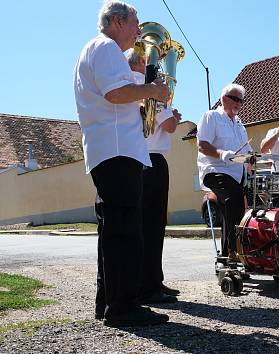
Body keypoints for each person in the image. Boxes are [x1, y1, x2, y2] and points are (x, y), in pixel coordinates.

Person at [74, 0, 170, 327]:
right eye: (135, 22)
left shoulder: (102, 50)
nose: (139, 30)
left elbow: (118, 92)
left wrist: (143, 82)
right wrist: (152, 90)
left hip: (112, 150)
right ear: (117, 21)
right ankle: (124, 306)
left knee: (114, 229)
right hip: (116, 151)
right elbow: (116, 94)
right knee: (126, 230)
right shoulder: (105, 48)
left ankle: (109, 302)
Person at [127, 51, 182, 303]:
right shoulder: (147, 88)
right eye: (153, 61)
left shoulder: (138, 88)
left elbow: (165, 123)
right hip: (151, 158)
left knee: (149, 224)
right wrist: (171, 115)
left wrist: (170, 116)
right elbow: (169, 126)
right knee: (152, 225)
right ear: (141, 62)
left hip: (144, 157)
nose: (159, 67)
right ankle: (149, 285)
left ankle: (153, 280)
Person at [197, 84, 252, 260]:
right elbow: (202, 145)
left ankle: (231, 251)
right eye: (235, 99)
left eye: (241, 100)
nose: (239, 104)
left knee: (240, 204)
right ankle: (232, 250)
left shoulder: (240, 125)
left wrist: (253, 158)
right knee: (234, 197)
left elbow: (247, 151)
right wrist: (223, 154)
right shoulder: (211, 116)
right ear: (223, 98)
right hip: (215, 170)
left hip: (237, 174)